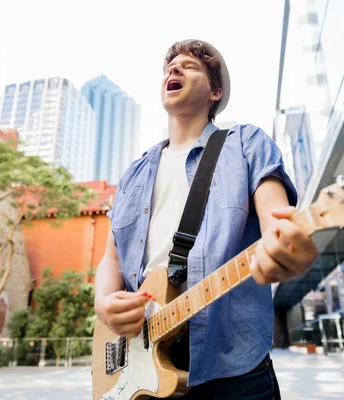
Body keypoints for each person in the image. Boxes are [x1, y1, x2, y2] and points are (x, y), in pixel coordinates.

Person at [94, 39, 318, 399]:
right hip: (137, 364)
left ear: (215, 92)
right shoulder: (133, 174)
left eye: (190, 66)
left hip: (234, 364)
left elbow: (275, 221)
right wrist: (103, 302)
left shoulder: (246, 143)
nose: (175, 69)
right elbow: (111, 258)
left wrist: (286, 242)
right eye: (171, 66)